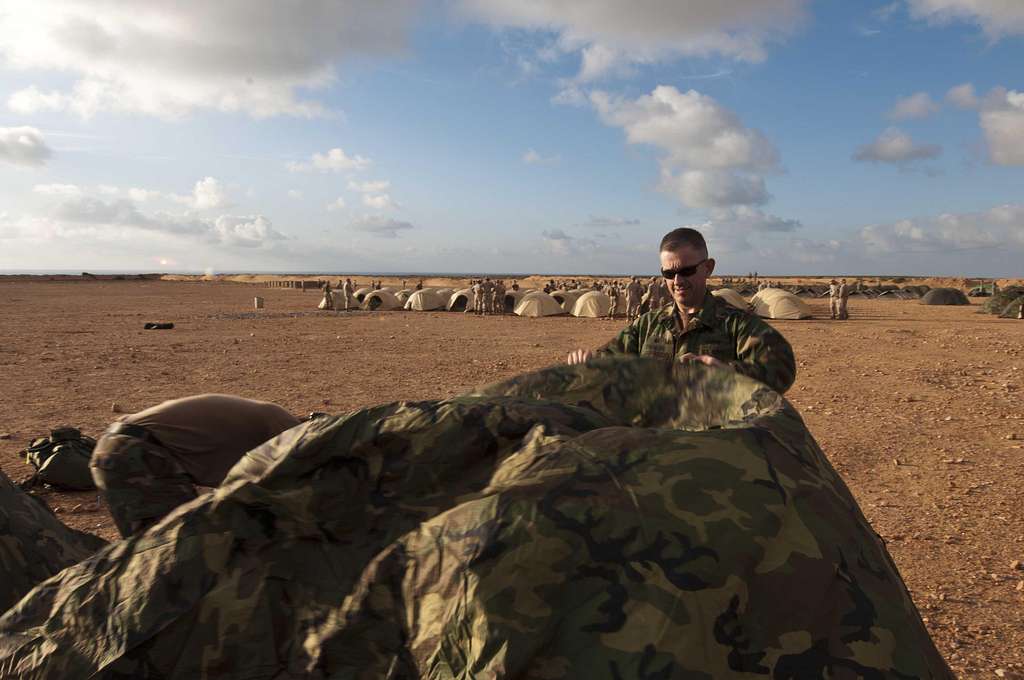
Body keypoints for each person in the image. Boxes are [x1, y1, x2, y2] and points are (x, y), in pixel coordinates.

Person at [566, 227, 796, 395]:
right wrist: (588, 363)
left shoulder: (736, 324)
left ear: (708, 268)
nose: (677, 281)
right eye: (668, 274)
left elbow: (781, 369)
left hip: (713, 443)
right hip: (657, 438)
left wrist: (728, 373)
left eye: (686, 271)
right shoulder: (649, 324)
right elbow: (611, 361)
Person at [90, 394, 301, 538]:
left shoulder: (262, 422)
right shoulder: (285, 427)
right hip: (140, 455)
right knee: (180, 545)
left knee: (146, 550)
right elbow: (299, 481)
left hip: (110, 449)